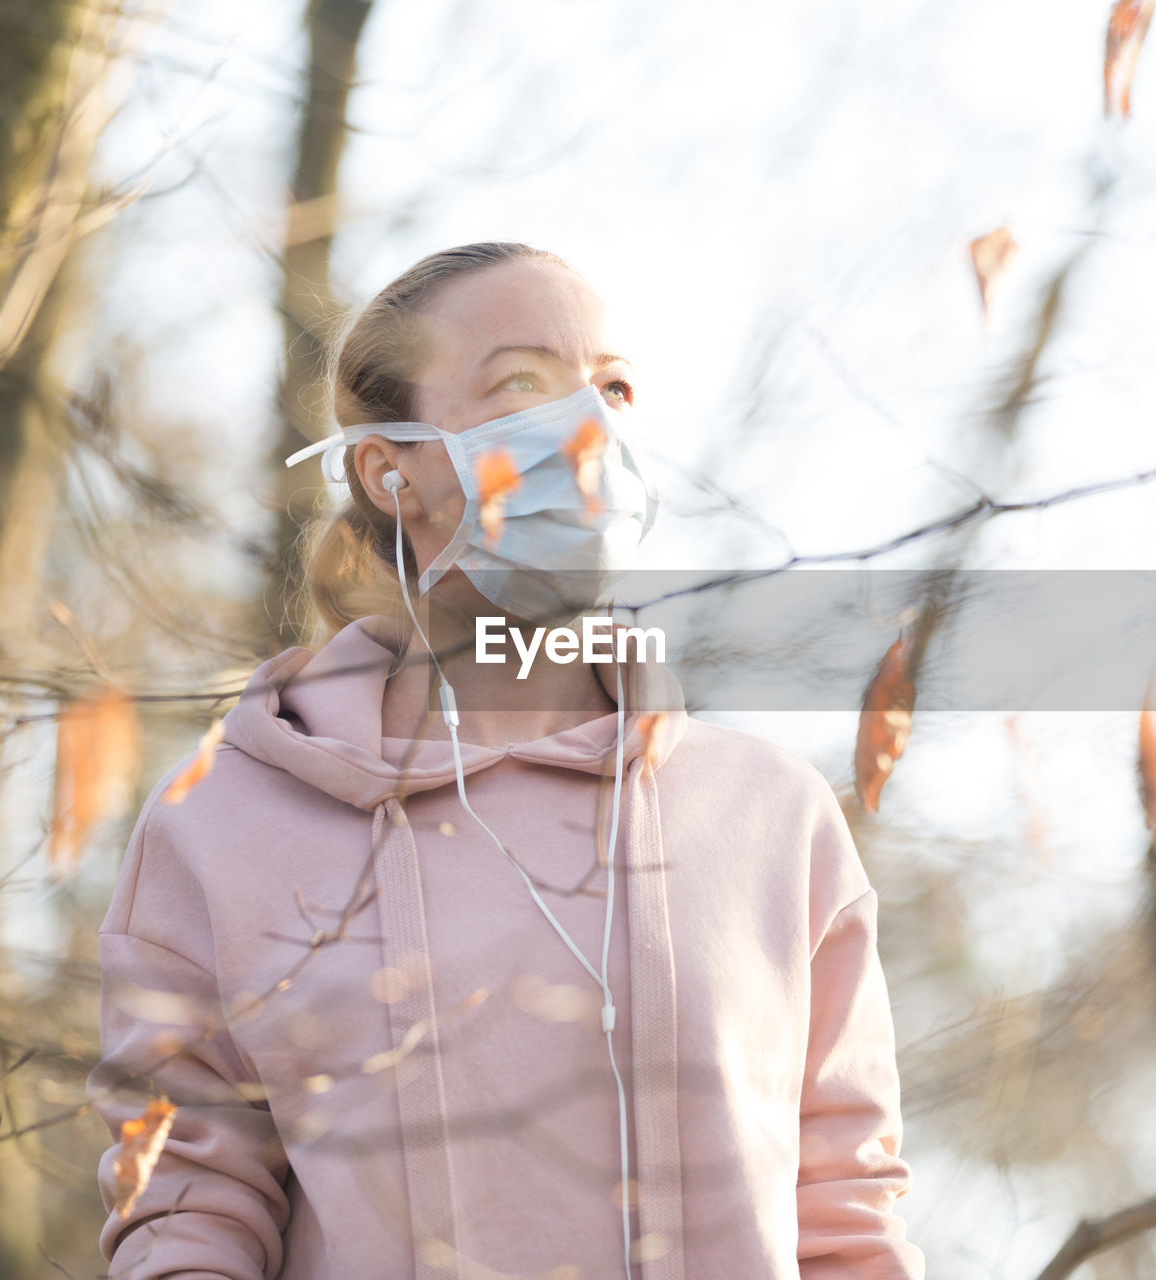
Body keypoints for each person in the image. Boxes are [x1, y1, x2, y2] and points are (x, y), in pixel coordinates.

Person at [87, 241, 926, 1280]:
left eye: (610, 386)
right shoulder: (220, 824)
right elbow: (188, 1208)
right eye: (521, 385)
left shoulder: (769, 816)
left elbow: (845, 1210)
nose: (589, 430)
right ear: (390, 468)